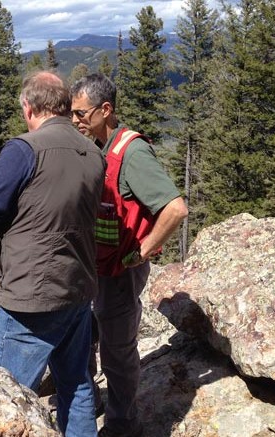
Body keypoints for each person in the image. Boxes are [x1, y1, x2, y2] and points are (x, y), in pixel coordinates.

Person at [0, 70, 106, 437]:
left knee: (6, 393)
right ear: (65, 107)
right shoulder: (94, 154)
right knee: (78, 387)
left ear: (29, 107)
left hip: (31, 295)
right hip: (77, 287)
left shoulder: (24, 149)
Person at [70, 73, 189, 437]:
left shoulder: (133, 152)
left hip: (120, 272)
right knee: (83, 336)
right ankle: (87, 406)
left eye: (80, 113)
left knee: (117, 352)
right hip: (97, 268)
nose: (74, 120)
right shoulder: (97, 146)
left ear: (105, 110)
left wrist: (145, 250)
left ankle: (123, 426)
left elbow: (176, 209)